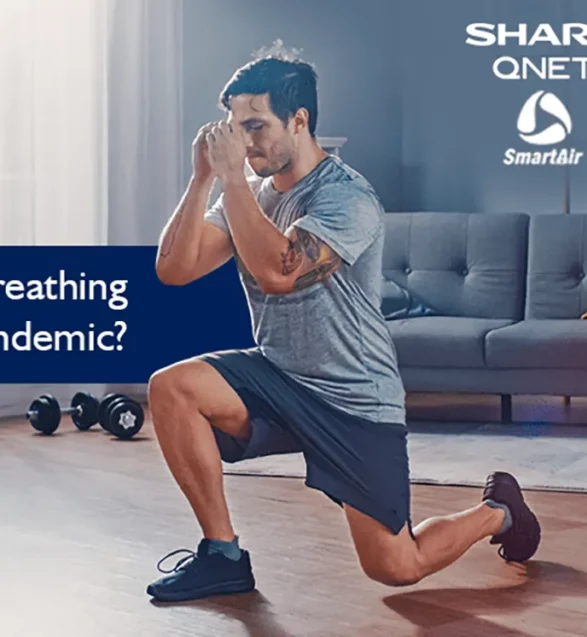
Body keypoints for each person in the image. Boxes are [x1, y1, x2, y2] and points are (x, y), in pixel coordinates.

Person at [146, 48, 541, 603]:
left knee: (397, 566)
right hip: (280, 377)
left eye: (256, 126)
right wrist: (202, 178)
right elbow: (174, 269)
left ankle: (498, 511)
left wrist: (232, 181)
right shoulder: (249, 195)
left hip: (353, 400)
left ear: (299, 120)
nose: (245, 143)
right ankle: (222, 556)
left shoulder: (347, 197)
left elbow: (279, 273)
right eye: (236, 128)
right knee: (172, 387)